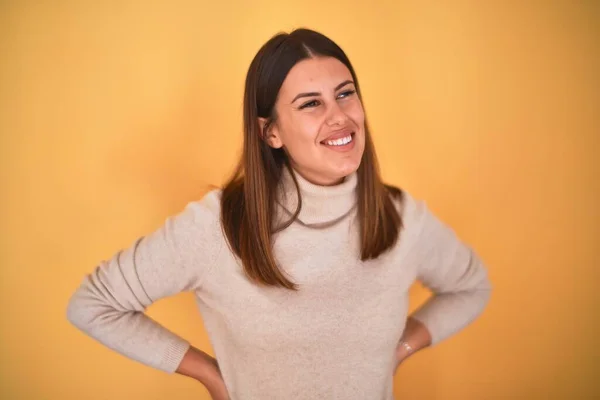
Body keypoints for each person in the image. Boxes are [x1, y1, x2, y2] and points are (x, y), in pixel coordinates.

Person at [66, 28, 492, 400]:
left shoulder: (400, 217)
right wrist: (211, 376)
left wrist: (400, 349)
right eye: (311, 104)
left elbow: (471, 286)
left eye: (345, 94)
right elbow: (94, 304)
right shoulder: (219, 226)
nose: (339, 117)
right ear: (270, 132)